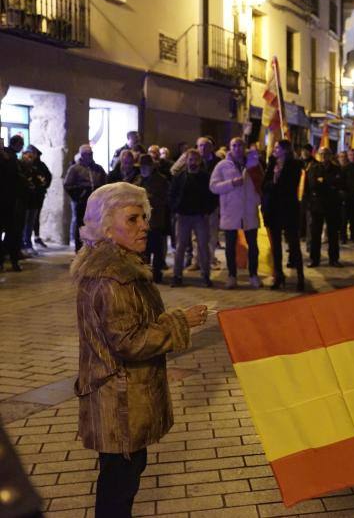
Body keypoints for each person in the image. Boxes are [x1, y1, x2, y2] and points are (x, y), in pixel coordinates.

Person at [70, 182, 207, 517]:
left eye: (144, 217)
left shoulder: (117, 267)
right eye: (132, 219)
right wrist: (180, 322)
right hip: (118, 400)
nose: (144, 225)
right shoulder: (114, 277)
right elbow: (129, 341)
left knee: (125, 474)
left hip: (121, 396)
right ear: (106, 225)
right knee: (120, 482)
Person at [209, 137, 263, 289]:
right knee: (230, 247)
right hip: (230, 212)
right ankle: (232, 276)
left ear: (244, 147)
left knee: (253, 246)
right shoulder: (222, 166)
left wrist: (257, 200)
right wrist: (231, 183)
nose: (237, 148)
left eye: (240, 145)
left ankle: (253, 275)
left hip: (249, 211)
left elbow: (260, 184)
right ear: (230, 147)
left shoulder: (253, 165)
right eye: (234, 145)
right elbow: (213, 187)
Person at [168, 149, 216, 288]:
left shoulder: (205, 177)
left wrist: (207, 211)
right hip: (183, 216)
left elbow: (212, 196)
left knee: (203, 246)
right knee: (180, 247)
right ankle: (177, 276)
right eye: (190, 159)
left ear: (199, 161)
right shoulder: (179, 177)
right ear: (186, 161)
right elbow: (171, 194)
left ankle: (206, 275)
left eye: (195, 160)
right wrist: (175, 208)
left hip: (200, 216)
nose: (193, 162)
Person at [261, 140, 304, 292]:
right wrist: (273, 180)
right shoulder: (271, 164)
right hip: (273, 211)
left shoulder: (294, 166)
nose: (274, 149)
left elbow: (289, 187)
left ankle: (300, 277)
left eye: (277, 147)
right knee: (276, 247)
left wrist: (277, 180)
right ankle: (279, 275)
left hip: (288, 210)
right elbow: (264, 185)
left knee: (294, 245)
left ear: (285, 150)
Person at [133, 155, 170, 283]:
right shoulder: (138, 180)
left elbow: (165, 199)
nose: (143, 169)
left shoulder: (161, 180)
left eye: (146, 166)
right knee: (144, 249)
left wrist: (149, 198)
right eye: (142, 166)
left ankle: (157, 273)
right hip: (142, 221)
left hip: (156, 221)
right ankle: (145, 273)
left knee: (157, 249)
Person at [64, 144, 107, 252]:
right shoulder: (75, 169)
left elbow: (105, 182)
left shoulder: (98, 168)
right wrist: (79, 195)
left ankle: (94, 248)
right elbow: (68, 185)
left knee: (95, 225)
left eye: (91, 154)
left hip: (96, 203)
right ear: (82, 155)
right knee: (81, 225)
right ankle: (79, 249)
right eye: (87, 154)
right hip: (82, 202)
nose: (90, 156)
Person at [305, 147, 344, 267]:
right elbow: (312, 185)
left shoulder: (337, 169)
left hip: (332, 205)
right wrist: (329, 185)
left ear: (330, 155)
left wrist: (324, 182)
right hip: (317, 205)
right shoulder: (314, 168)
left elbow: (339, 184)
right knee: (315, 234)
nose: (323, 156)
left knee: (333, 234)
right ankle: (314, 259)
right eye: (321, 154)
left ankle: (334, 259)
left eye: (326, 154)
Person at [0, 135, 26, 270]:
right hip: (8, 201)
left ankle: (10, 260)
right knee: (12, 232)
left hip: (11, 200)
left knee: (12, 232)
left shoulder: (11, 157)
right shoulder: (8, 158)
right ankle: (10, 260)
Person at [20, 145, 52, 252]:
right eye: (28, 155)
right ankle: (22, 244)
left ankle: (28, 243)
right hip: (25, 199)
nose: (30, 157)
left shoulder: (39, 166)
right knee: (23, 222)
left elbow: (45, 178)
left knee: (31, 221)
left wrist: (42, 187)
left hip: (35, 198)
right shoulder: (22, 166)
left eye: (32, 155)